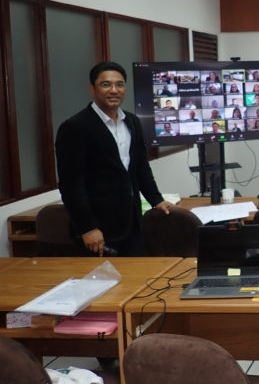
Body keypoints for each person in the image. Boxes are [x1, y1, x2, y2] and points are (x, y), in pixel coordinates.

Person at [55, 61, 172, 257]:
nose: (114, 90)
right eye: (106, 84)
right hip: (98, 229)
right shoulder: (75, 127)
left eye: (120, 84)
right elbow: (70, 185)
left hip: (131, 223)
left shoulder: (132, 122)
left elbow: (140, 167)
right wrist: (87, 227)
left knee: (136, 281)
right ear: (92, 88)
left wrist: (156, 200)